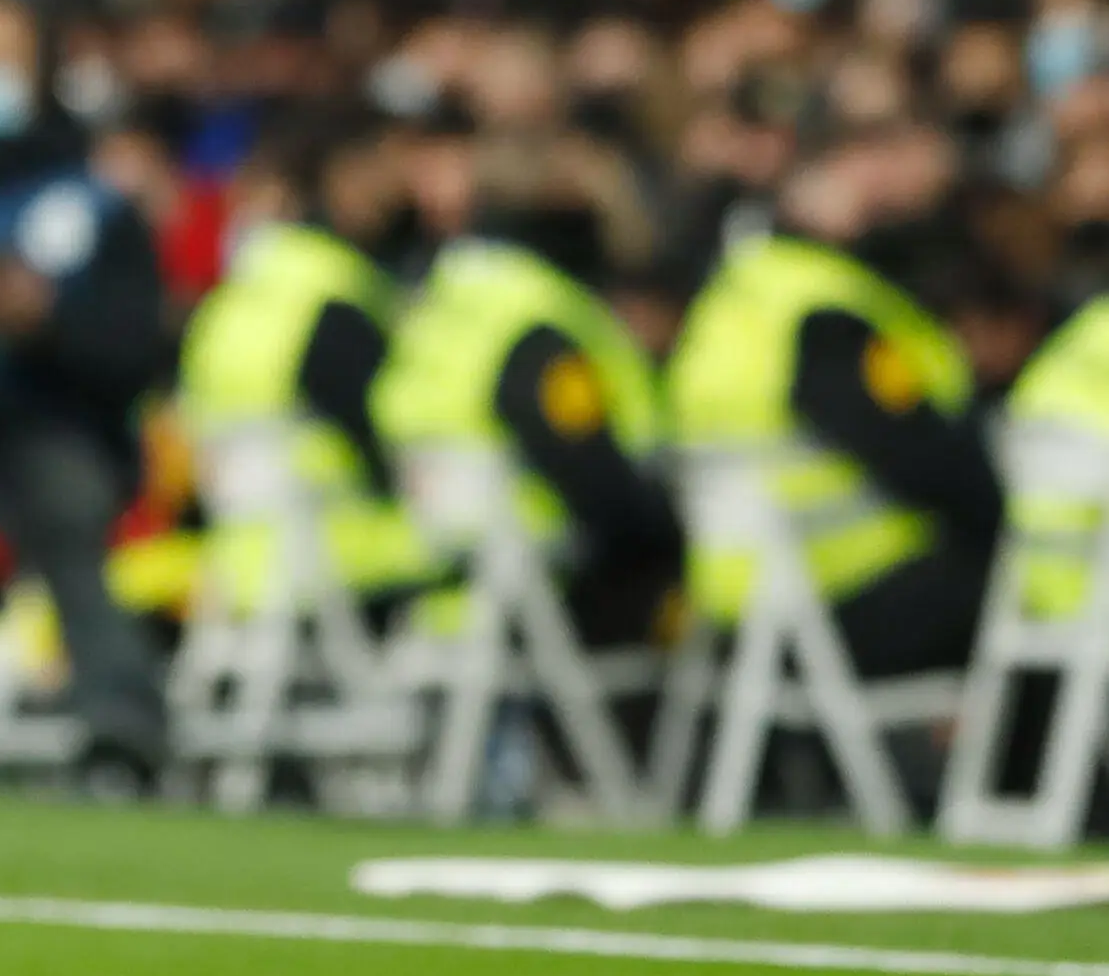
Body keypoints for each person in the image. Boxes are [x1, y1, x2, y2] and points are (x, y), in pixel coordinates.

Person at [0, 0, 174, 781]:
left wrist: (43, 321)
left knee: (62, 500)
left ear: (38, 76)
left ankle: (120, 726)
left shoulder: (91, 205)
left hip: (44, 426)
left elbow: (134, 354)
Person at [668, 129, 999, 680]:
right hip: (843, 595)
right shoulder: (822, 309)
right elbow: (917, 455)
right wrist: (995, 511)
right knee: (1035, 597)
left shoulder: (735, 295)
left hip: (741, 603)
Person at [372, 165, 682, 651]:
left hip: (442, 554)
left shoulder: (437, 303)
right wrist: (658, 528)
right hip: (537, 564)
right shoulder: (534, 315)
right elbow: (582, 458)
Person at [176, 118, 430, 623]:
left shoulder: (225, 304)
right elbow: (387, 432)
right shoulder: (333, 294)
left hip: (239, 560)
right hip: (341, 550)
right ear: (338, 178)